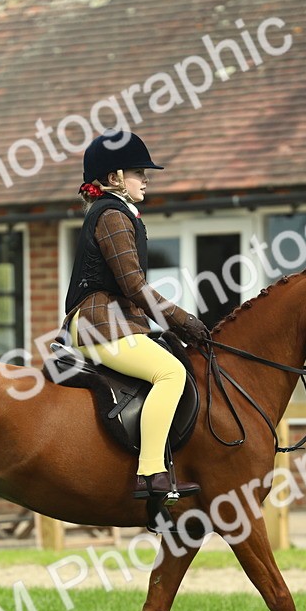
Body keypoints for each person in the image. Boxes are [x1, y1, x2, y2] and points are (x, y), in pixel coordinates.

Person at [63, 129, 210, 502]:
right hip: (100, 323)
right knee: (170, 372)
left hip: (112, 321)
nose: (146, 178)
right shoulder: (112, 214)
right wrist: (181, 319)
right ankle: (149, 473)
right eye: (138, 171)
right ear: (114, 178)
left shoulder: (119, 211)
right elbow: (133, 284)